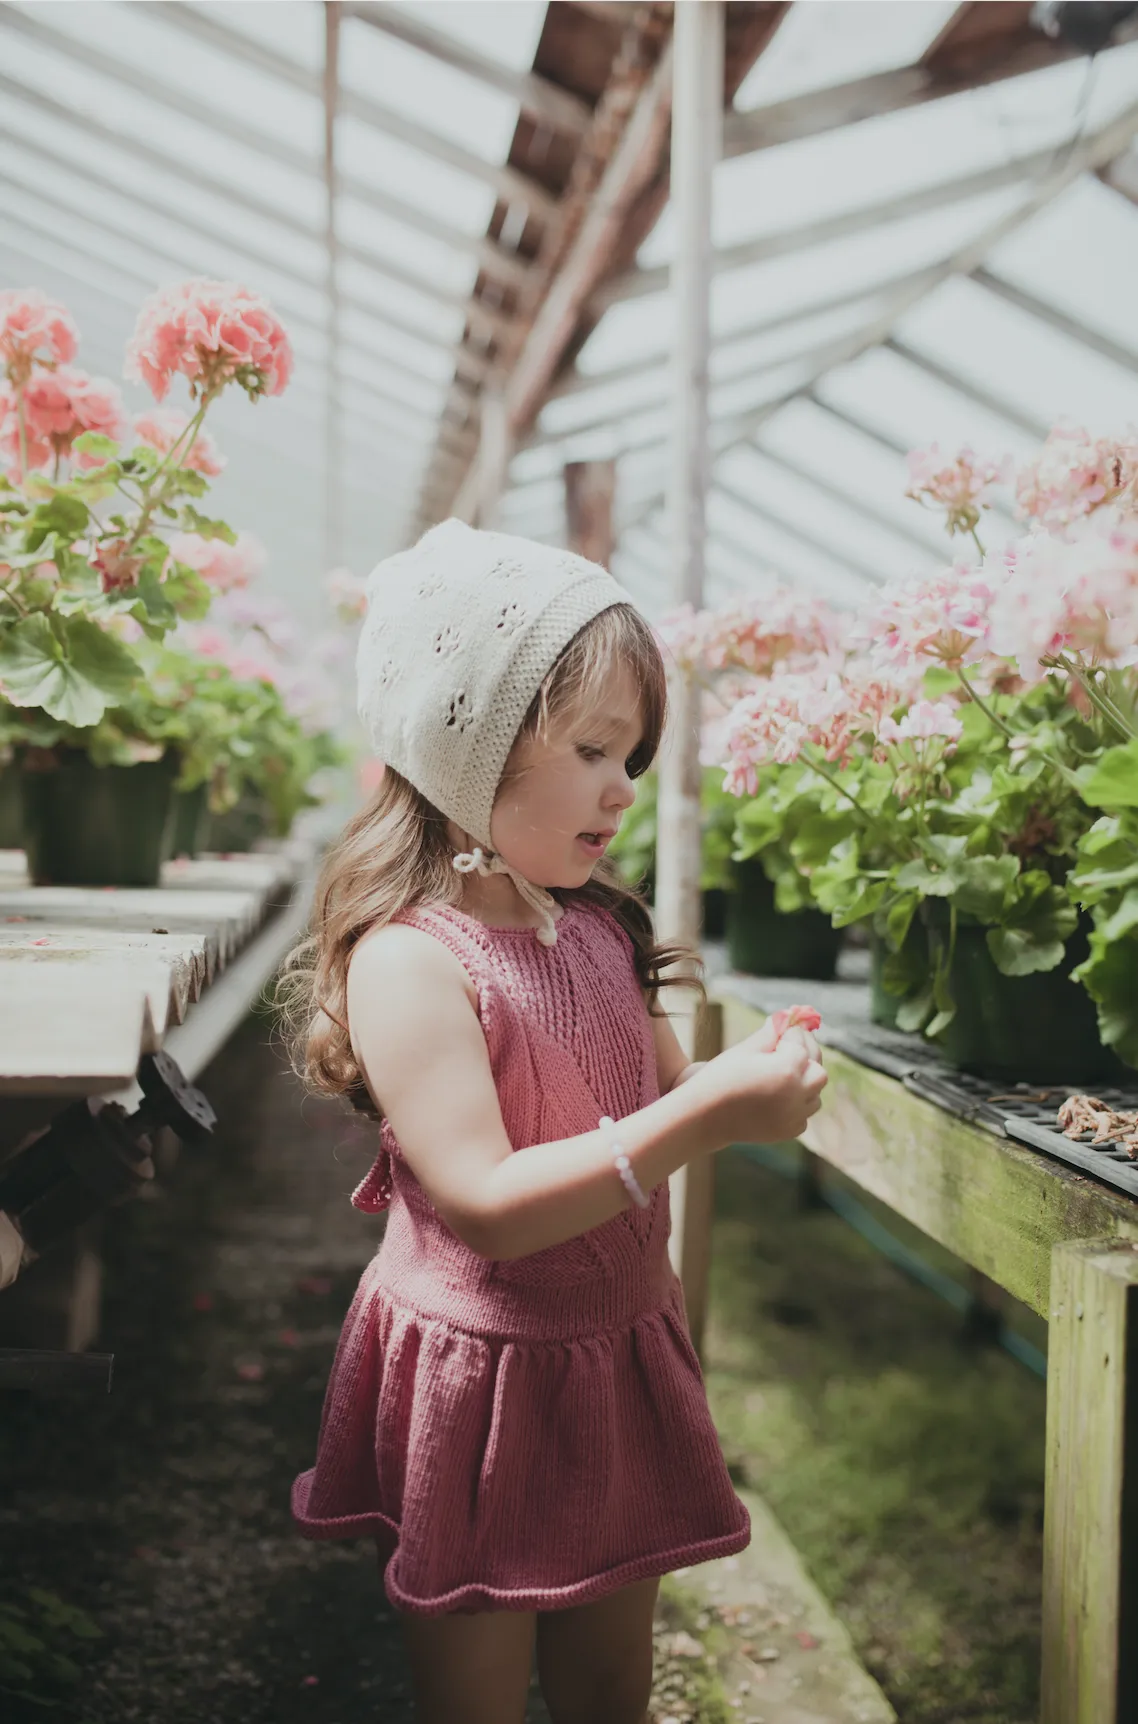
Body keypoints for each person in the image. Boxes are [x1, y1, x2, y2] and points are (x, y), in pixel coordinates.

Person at [283, 520, 827, 1724]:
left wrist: (754, 1085)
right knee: (475, 1694)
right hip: (485, 1381)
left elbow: (669, 1094)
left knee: (605, 1687)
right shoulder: (413, 960)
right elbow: (484, 1202)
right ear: (466, 746)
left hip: (612, 1350)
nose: (622, 787)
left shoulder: (596, 928)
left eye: (631, 753)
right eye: (592, 747)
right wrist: (708, 1117)